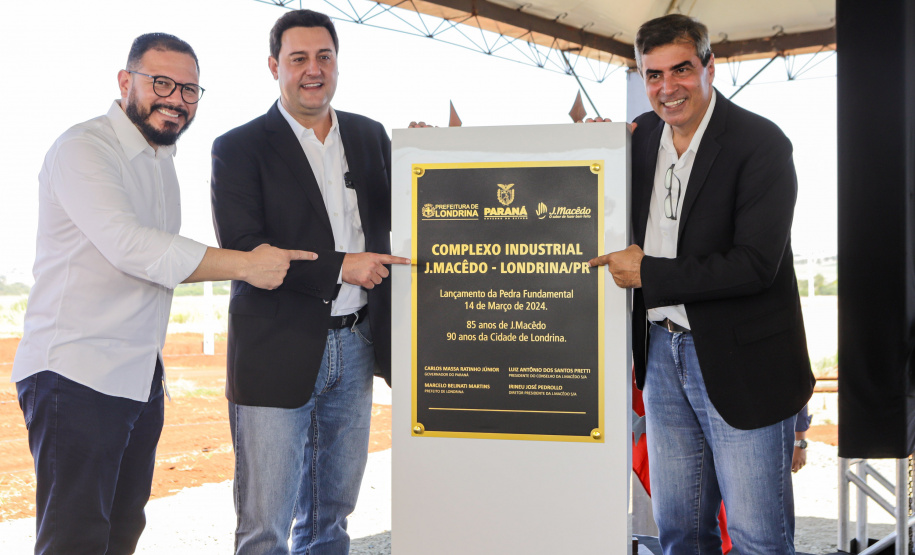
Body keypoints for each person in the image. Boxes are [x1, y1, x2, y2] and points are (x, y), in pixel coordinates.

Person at [12, 33, 316, 554]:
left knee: (122, 532)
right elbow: (133, 248)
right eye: (162, 83)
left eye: (190, 90)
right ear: (125, 82)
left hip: (137, 380)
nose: (176, 98)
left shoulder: (161, 164)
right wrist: (246, 265)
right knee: (75, 539)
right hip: (76, 374)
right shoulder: (84, 148)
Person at [589, 14, 815, 555]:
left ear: (710, 66)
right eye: (653, 75)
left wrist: (649, 274)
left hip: (746, 366)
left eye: (682, 70)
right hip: (662, 356)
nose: (667, 88)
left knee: (759, 538)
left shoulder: (761, 144)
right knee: (681, 534)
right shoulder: (637, 142)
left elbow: (755, 264)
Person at [210, 9, 410, 554]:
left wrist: (435, 159)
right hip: (275, 348)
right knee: (265, 525)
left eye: (324, 56)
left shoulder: (371, 137)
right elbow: (245, 247)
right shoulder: (238, 147)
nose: (313, 69)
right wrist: (340, 265)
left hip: (358, 345)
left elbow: (410, 216)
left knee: (331, 519)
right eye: (298, 59)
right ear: (275, 66)